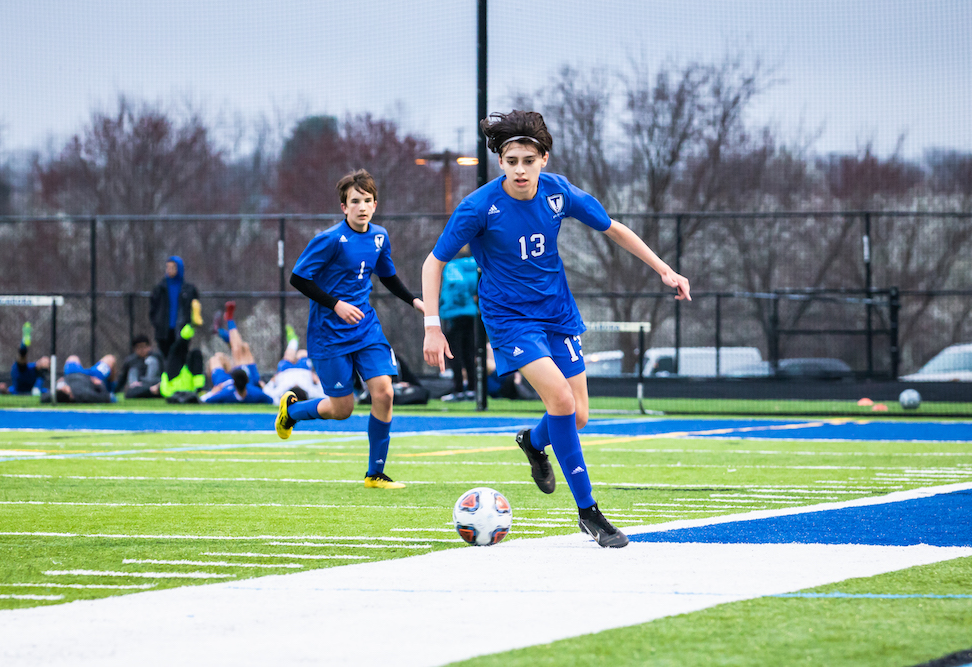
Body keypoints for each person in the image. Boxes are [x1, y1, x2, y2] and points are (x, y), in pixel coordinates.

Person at [422, 110, 691, 548]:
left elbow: (614, 229)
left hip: (558, 313)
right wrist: (433, 326)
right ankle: (589, 513)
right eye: (512, 161)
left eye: (529, 160)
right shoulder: (478, 208)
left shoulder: (558, 193)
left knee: (577, 414)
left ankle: (532, 441)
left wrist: (665, 270)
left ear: (543, 159)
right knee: (562, 400)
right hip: (510, 319)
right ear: (501, 163)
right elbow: (433, 262)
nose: (521, 169)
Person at [274, 169, 425, 489]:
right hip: (328, 333)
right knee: (342, 409)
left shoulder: (380, 236)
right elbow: (299, 278)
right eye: (355, 201)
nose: (362, 207)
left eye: (368, 201)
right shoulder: (329, 240)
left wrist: (414, 301)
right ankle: (293, 411)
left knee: (384, 392)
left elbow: (387, 276)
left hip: (366, 328)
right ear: (344, 207)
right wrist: (336, 304)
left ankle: (375, 473)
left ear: (375, 204)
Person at [200, 304, 272, 404]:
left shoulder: (227, 392)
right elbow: (271, 399)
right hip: (252, 377)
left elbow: (204, 400)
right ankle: (225, 325)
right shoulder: (253, 391)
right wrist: (265, 388)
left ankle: (226, 323)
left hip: (225, 381)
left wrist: (212, 392)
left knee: (221, 356)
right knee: (244, 347)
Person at [438, 248, 479, 401]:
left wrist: (458, 301)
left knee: (453, 353)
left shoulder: (453, 266)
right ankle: (473, 389)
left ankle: (458, 390)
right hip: (470, 312)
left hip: (454, 313)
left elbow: (458, 284)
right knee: (469, 351)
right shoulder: (475, 265)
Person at [149, 255, 202, 357]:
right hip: (164, 331)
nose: (169, 270)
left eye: (173, 267)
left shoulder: (188, 289)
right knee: (165, 357)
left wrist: (191, 323)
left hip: (183, 329)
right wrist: (157, 322)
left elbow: (195, 309)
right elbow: (153, 308)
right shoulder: (160, 288)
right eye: (168, 267)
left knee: (181, 356)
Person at [261, 325, 327, 403]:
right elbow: (324, 393)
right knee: (302, 353)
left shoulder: (280, 395)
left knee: (288, 355)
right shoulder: (312, 393)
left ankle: (293, 341)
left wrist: (273, 380)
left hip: (285, 371)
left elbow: (267, 392)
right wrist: (316, 378)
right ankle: (297, 342)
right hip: (303, 370)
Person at [0, 322, 50, 396]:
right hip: (21, 376)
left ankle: (24, 344)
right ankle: (24, 343)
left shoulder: (41, 376)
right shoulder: (32, 367)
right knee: (22, 364)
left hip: (30, 387)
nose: (45, 362)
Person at [116, 334, 165, 398]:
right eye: (139, 347)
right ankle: (148, 391)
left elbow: (164, 373)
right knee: (131, 391)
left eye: (144, 346)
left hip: (154, 384)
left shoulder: (157, 357)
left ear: (149, 347)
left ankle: (149, 391)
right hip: (138, 387)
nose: (142, 350)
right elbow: (122, 379)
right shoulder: (130, 361)